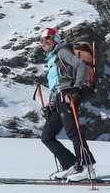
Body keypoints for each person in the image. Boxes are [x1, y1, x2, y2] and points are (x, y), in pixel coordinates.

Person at [39, 29, 97, 181]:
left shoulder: (62, 52)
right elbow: (56, 84)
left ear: (56, 38)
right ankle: (70, 164)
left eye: (48, 38)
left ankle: (86, 166)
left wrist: (76, 88)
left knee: (73, 131)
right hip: (59, 98)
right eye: (42, 40)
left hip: (68, 95)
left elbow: (81, 66)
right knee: (47, 136)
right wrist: (51, 104)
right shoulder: (52, 58)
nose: (45, 42)